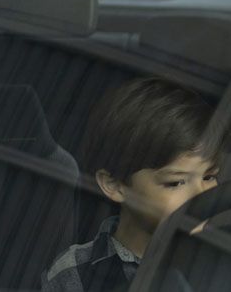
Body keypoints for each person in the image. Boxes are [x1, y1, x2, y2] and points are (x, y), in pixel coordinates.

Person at [42, 77, 221, 292]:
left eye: (209, 177)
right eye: (175, 183)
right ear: (114, 185)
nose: (201, 195)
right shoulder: (76, 272)